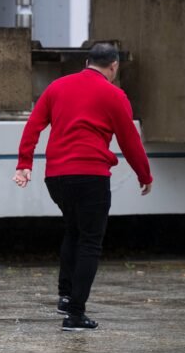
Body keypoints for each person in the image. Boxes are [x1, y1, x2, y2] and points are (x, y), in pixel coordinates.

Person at [13, 42, 152, 331]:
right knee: (90, 240)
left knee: (74, 231)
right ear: (113, 66)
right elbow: (130, 140)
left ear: (87, 61)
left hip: (57, 177)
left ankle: (65, 297)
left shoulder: (57, 87)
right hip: (91, 176)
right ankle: (75, 315)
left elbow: (34, 125)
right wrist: (144, 175)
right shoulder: (114, 95)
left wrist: (24, 163)